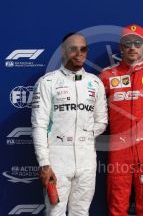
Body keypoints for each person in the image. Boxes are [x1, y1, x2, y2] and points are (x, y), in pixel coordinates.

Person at [31, 33, 108, 215]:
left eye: (83, 49)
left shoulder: (95, 83)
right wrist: (44, 163)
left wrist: (85, 135)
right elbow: (39, 124)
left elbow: (102, 120)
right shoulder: (47, 82)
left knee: (81, 211)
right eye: (73, 49)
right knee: (55, 211)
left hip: (86, 158)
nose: (79, 53)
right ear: (63, 51)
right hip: (57, 158)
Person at [99, 24, 143, 216]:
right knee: (117, 203)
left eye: (138, 43)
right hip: (118, 149)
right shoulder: (106, 75)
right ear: (121, 47)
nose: (132, 47)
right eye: (127, 43)